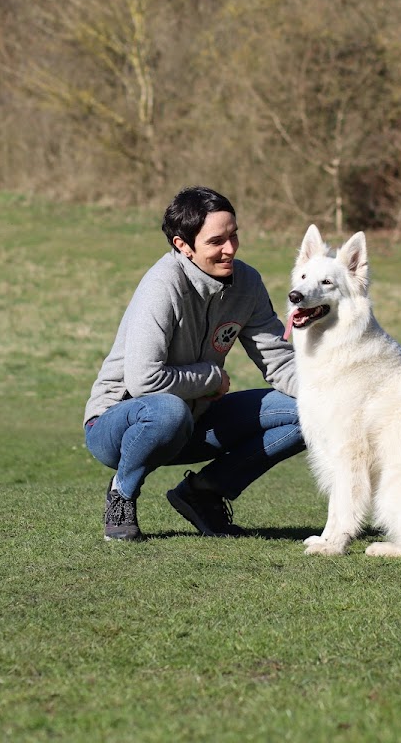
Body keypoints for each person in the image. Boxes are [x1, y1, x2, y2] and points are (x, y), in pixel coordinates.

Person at [83, 186, 305, 542]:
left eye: (234, 236)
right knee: (168, 410)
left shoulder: (247, 283)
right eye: (217, 241)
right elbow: (143, 381)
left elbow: (279, 361)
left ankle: (202, 493)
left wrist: (332, 396)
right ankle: (121, 495)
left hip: (194, 421)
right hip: (118, 426)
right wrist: (210, 377)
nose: (230, 249)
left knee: (308, 411)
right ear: (183, 245)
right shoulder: (162, 285)